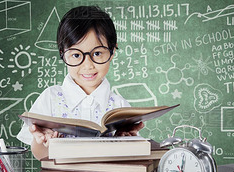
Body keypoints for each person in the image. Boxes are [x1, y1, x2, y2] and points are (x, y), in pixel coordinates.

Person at [17, 6, 144, 160]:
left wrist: (126, 140)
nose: (88, 65)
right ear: (63, 54)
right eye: (76, 55)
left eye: (97, 53)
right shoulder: (50, 98)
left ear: (112, 52)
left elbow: (131, 158)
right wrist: (42, 141)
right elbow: (40, 155)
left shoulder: (120, 107)